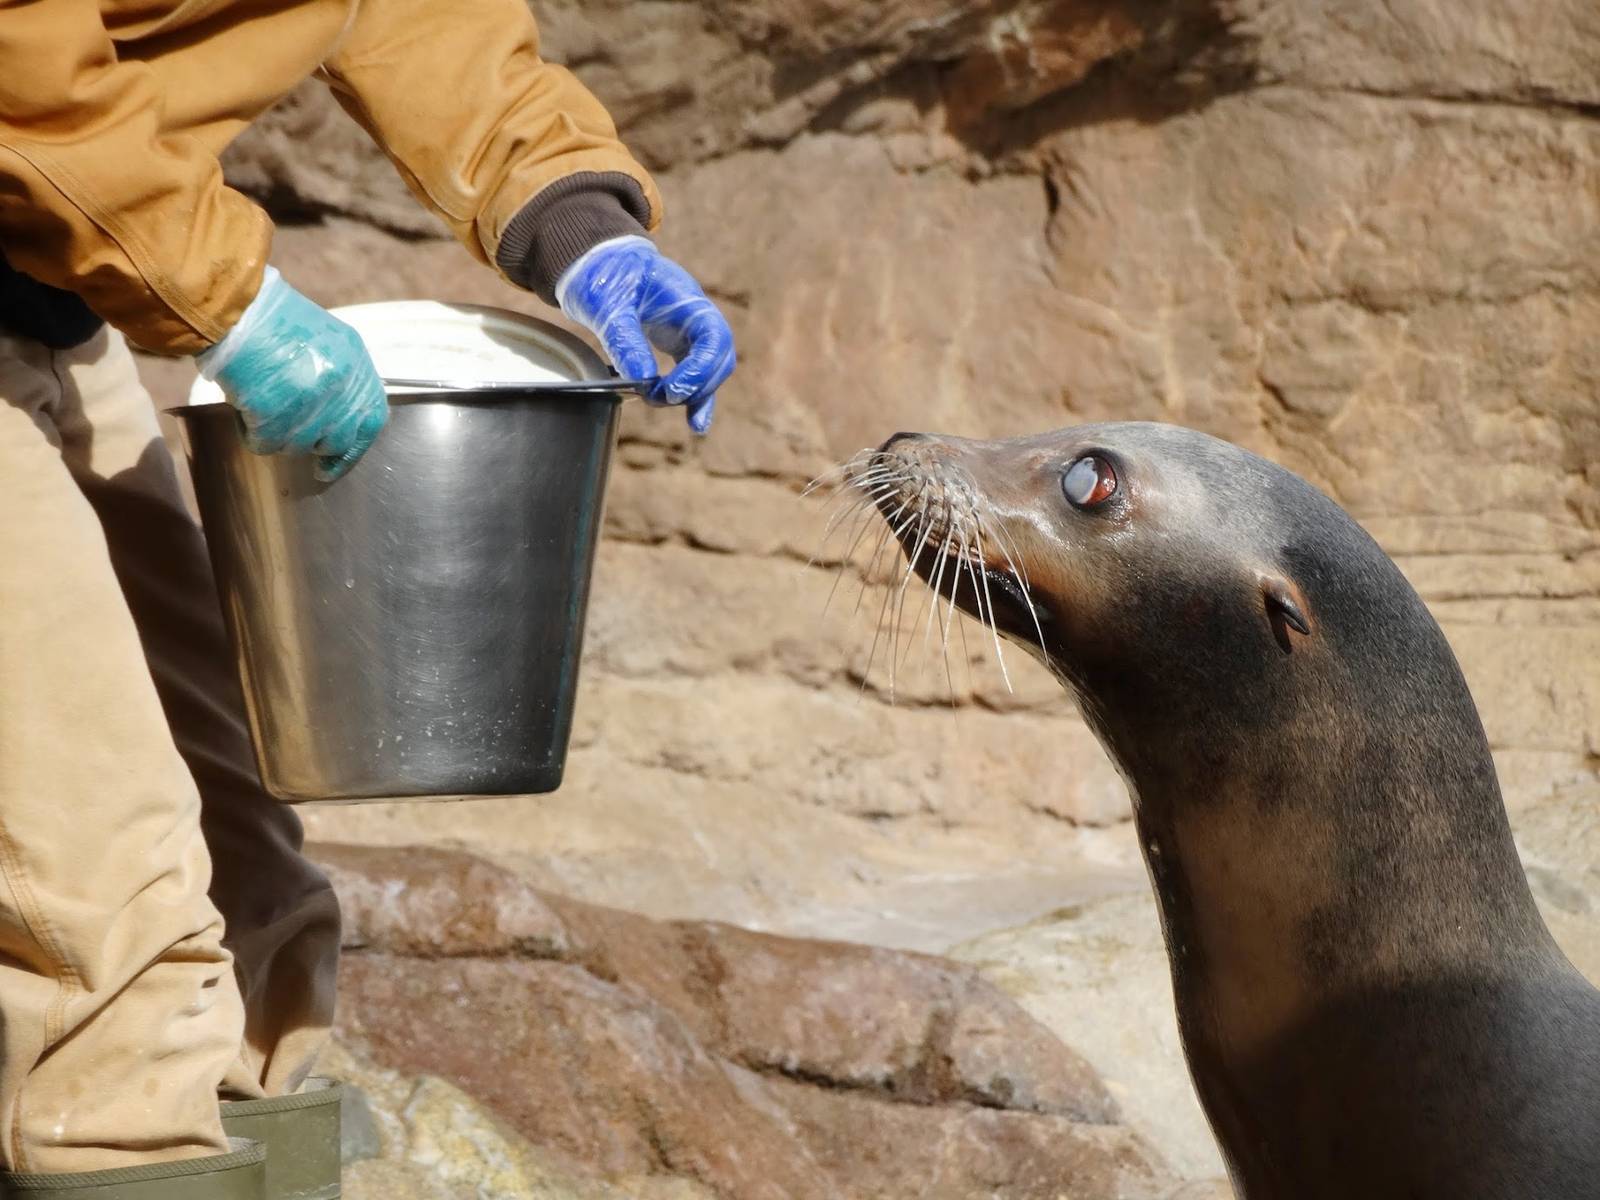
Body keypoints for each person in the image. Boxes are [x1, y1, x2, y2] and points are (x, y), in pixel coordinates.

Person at [0, 0, 736, 1195]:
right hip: (62, 215)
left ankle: (263, 1160)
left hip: (51, 291)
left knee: (249, 892)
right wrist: (223, 296)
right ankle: (114, 1146)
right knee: (104, 905)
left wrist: (574, 220)